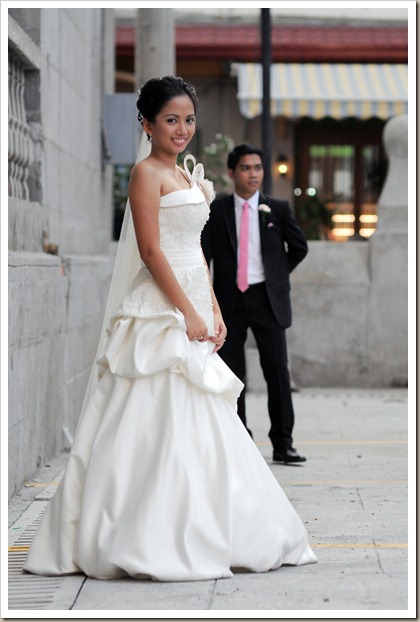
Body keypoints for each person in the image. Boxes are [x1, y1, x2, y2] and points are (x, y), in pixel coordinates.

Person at [23, 77, 316, 581]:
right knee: (150, 414)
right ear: (147, 123)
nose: (182, 129)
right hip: (159, 309)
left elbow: (196, 252)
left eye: (188, 120)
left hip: (195, 300)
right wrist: (187, 313)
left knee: (205, 417)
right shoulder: (145, 173)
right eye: (171, 120)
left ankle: (214, 526)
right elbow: (152, 252)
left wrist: (213, 308)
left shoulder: (186, 175)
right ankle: (141, 533)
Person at [201, 144, 308, 465]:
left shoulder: (278, 208)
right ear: (232, 172)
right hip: (229, 301)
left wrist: (276, 276)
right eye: (246, 168)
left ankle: (283, 444)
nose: (253, 174)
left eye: (258, 168)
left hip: (267, 299)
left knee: (277, 372)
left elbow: (299, 247)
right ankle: (240, 442)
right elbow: (203, 254)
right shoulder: (217, 210)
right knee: (233, 374)